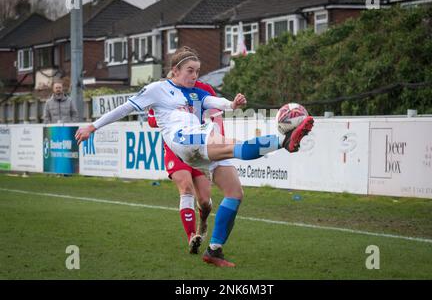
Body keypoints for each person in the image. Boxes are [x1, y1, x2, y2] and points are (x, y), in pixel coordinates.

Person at [75, 47, 314, 267]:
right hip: (183, 139)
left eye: (197, 71)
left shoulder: (196, 93)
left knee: (235, 193)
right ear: (175, 70)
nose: (194, 76)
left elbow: (216, 102)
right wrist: (92, 127)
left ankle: (214, 250)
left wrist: (233, 103)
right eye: (190, 71)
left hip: (197, 142)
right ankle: (283, 142)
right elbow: (125, 108)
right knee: (232, 146)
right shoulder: (157, 89)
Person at [148, 79, 225, 255]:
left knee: (205, 202)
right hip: (175, 147)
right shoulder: (162, 90)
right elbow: (152, 120)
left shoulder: (204, 89)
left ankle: (203, 222)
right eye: (187, 69)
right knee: (186, 187)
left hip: (200, 147)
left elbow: (216, 115)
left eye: (194, 70)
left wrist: (217, 141)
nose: (190, 74)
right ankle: (191, 236)